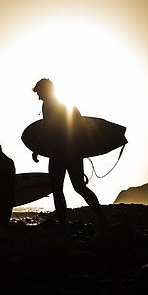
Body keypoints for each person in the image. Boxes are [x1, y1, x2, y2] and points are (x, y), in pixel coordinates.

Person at [31, 78, 108, 230]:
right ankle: (101, 217)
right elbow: (81, 127)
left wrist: (37, 148)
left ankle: (62, 223)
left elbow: (46, 129)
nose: (39, 97)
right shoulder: (68, 104)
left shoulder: (49, 105)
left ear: (46, 90)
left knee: (58, 188)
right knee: (78, 187)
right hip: (74, 152)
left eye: (39, 93)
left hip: (60, 152)